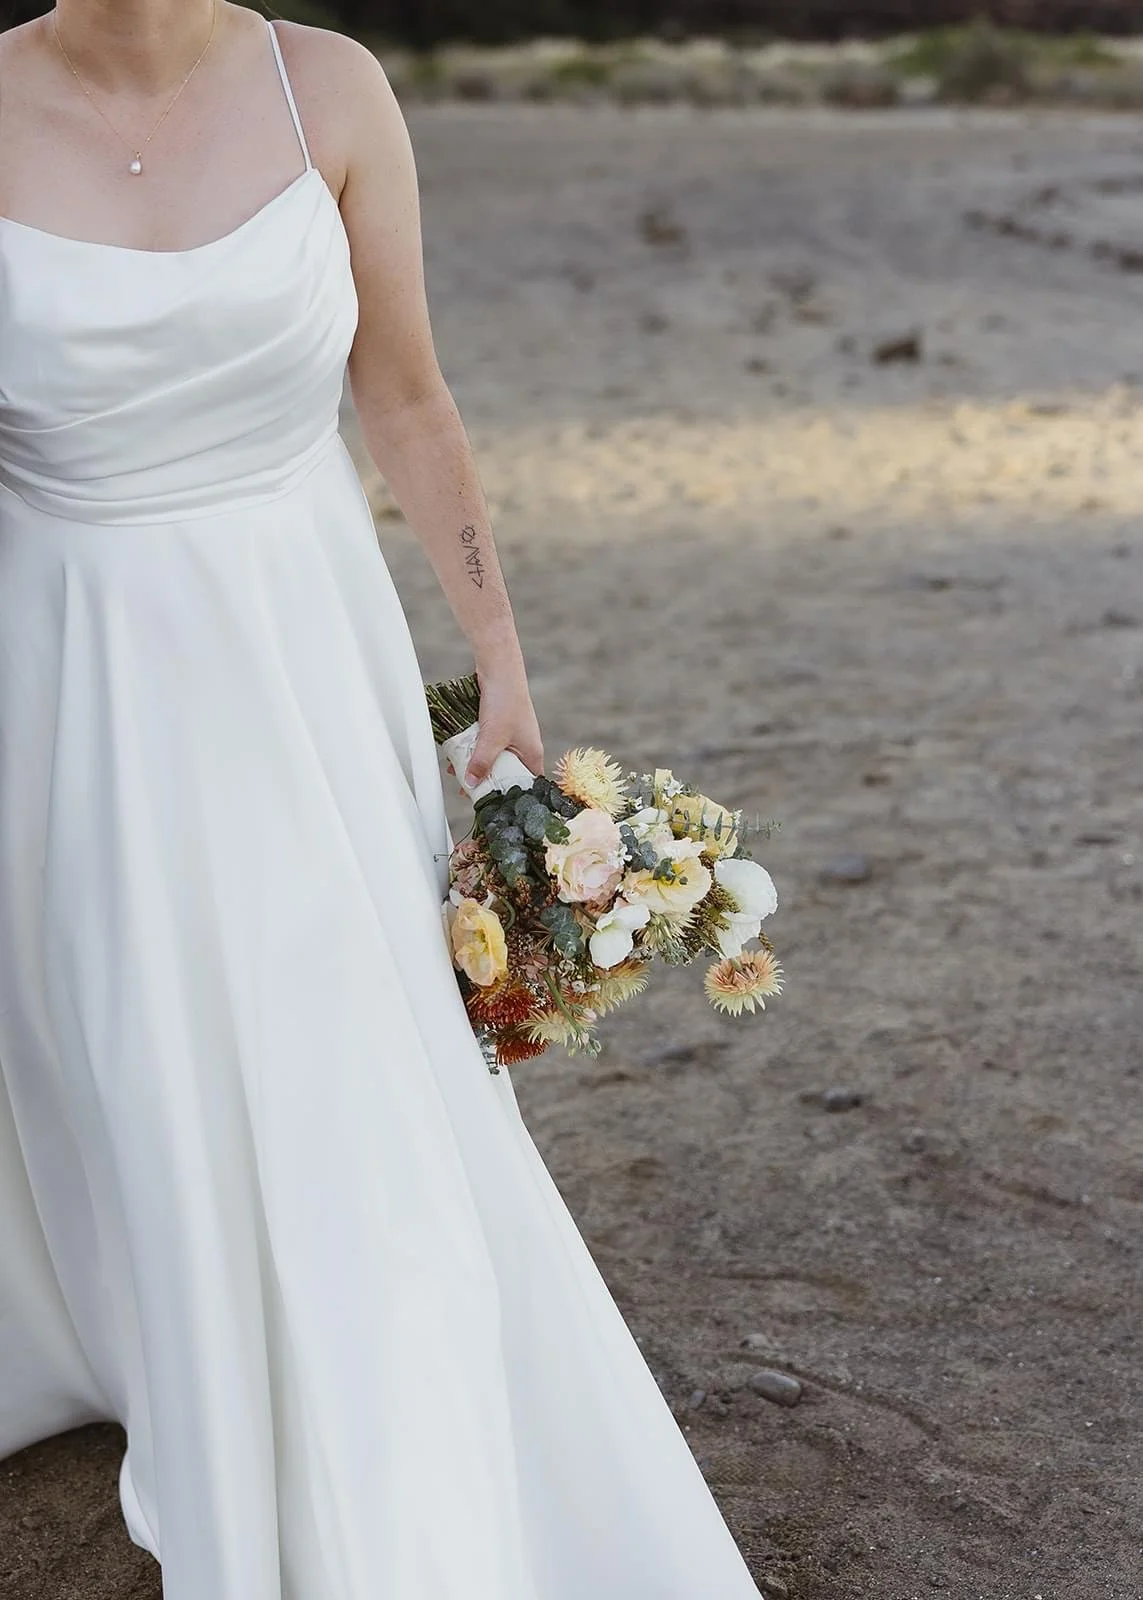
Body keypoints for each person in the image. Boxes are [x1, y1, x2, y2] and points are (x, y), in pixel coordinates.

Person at [0, 5, 763, 1596]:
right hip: (71, 676)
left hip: (301, 657)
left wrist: (502, 667)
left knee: (343, 1049)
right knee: (140, 1051)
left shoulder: (327, 86)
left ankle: (386, 1441)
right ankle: (192, 1373)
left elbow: (403, 392)